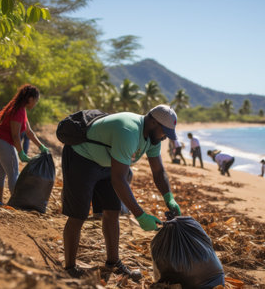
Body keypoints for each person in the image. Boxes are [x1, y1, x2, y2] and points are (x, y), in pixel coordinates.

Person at [61, 104, 181, 281]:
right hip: (82, 158)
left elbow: (158, 171)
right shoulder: (129, 130)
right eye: (165, 132)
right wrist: (140, 215)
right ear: (154, 122)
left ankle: (113, 262)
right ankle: (70, 267)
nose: (165, 138)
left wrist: (169, 198)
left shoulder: (152, 138)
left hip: (107, 164)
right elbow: (119, 180)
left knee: (112, 211)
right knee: (78, 214)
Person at [0, 84, 49, 205]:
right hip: (3, 143)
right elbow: (15, 135)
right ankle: (16, 203)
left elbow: (29, 132)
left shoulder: (19, 109)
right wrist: (21, 153)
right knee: (14, 174)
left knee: (1, 173)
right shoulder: (19, 111)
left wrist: (41, 147)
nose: (35, 103)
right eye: (36, 101)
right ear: (31, 99)